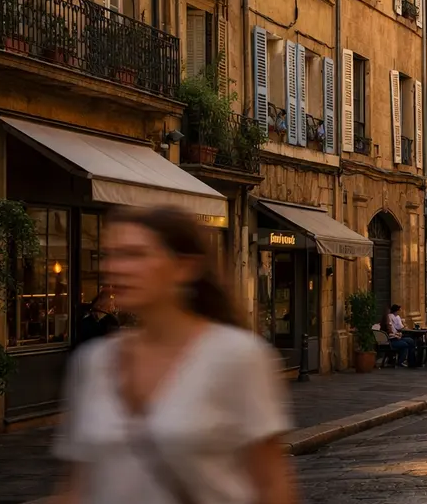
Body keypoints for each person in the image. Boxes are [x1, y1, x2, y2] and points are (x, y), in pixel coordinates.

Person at [54, 207, 295, 504]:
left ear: (184, 267)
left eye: (135, 254)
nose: (117, 267)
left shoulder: (237, 356)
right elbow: (76, 486)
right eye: (112, 255)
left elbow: (272, 484)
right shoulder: (94, 362)